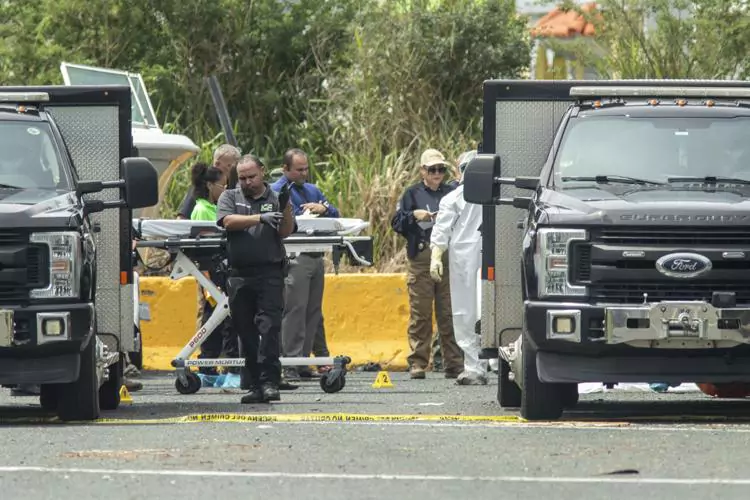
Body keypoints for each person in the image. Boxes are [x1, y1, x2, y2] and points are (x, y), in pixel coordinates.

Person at [216, 154, 295, 403]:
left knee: (269, 328)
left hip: (269, 272)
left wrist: (285, 208)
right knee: (245, 331)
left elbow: (285, 232)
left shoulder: (275, 197)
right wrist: (259, 218)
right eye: (242, 178)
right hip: (239, 274)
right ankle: (254, 385)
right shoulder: (230, 196)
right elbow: (227, 221)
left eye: (252, 177)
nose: (247, 182)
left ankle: (270, 382)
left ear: (262, 171)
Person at [391, 148, 464, 379]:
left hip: (447, 258)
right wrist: (414, 215)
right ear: (422, 171)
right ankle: (418, 362)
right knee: (420, 314)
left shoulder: (452, 192)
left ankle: (454, 363)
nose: (437, 174)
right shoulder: (411, 194)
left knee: (449, 314)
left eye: (441, 169)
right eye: (432, 170)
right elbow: (396, 222)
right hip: (422, 258)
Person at [271, 148, 339, 380]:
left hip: (315, 255)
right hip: (295, 255)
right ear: (285, 169)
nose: (304, 173)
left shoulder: (312, 190)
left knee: (313, 311)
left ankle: (302, 361)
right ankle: (290, 362)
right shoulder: (277, 191)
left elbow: (336, 215)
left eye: (306, 169)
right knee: (295, 310)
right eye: (299, 170)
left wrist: (324, 209)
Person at [429, 150, 488, 385]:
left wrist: (436, 256)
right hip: (479, 256)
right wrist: (436, 255)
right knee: (483, 309)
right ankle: (495, 364)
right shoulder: (496, 194)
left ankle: (475, 367)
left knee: (466, 312)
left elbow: (441, 231)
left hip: (464, 258)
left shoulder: (453, 198)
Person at [188, 162, 242, 381]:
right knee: (222, 319)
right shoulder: (202, 210)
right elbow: (203, 248)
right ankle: (219, 367)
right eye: (223, 186)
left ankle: (211, 367)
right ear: (210, 185)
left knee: (222, 319)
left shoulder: (214, 207)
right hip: (211, 271)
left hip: (220, 268)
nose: (226, 190)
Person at [177, 144, 241, 220]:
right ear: (217, 164)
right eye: (230, 166)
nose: (236, 171)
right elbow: (182, 218)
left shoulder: (234, 186)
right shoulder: (200, 186)